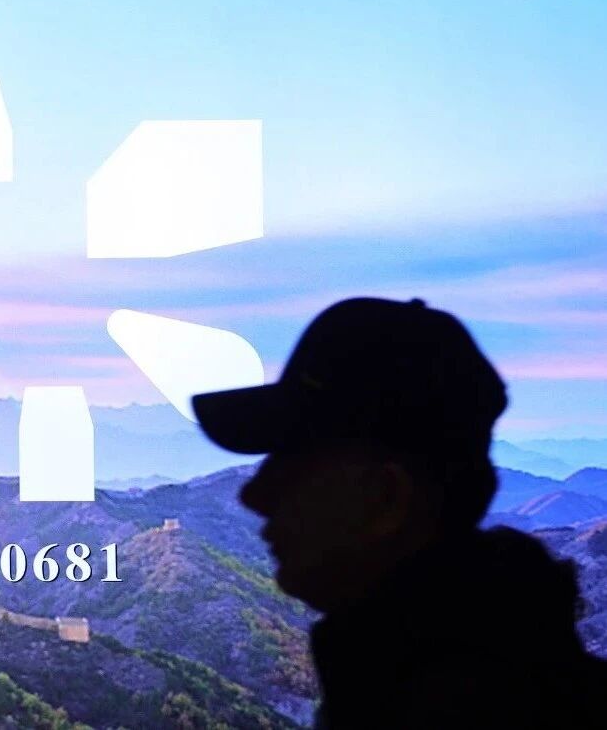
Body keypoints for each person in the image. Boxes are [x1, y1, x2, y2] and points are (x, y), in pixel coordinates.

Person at [191, 296, 605, 730]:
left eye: (293, 467)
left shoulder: (444, 709)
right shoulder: (524, 682)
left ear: (386, 496)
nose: (254, 495)